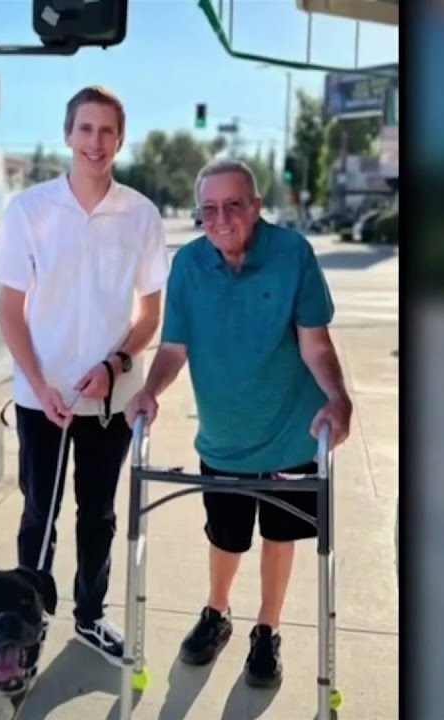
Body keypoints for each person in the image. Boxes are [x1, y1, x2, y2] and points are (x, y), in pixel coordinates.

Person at [124, 158, 352, 689]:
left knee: (281, 534)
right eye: (209, 209)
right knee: (225, 537)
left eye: (233, 206)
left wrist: (338, 397)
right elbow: (173, 347)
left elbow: (315, 344)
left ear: (255, 206)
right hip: (224, 437)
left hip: (292, 432)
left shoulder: (293, 254)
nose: (221, 218)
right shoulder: (188, 267)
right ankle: (218, 612)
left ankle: (267, 630)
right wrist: (150, 391)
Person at [0, 86, 169, 666]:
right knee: (40, 514)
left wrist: (115, 366)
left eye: (107, 131)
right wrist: (39, 385)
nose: (96, 142)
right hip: (43, 400)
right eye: (86, 129)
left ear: (120, 138)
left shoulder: (140, 215)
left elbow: (151, 315)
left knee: (100, 513)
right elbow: (10, 312)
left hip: (109, 401)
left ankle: (90, 616)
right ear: (68, 135)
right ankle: (27, 620)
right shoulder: (30, 211)